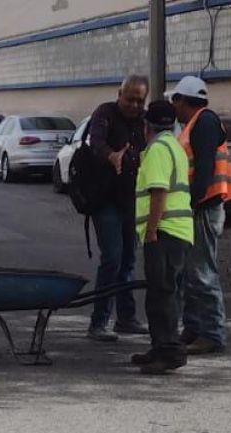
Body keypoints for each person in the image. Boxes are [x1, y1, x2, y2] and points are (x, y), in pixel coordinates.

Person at [170, 75, 231, 355]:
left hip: (204, 207)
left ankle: (212, 334)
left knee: (202, 273)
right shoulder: (196, 123)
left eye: (174, 101)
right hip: (201, 206)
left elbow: (205, 168)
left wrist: (192, 203)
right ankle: (195, 328)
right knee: (191, 273)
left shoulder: (204, 122)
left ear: (181, 100)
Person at [85, 75, 151, 342]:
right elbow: (95, 141)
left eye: (140, 100)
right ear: (119, 93)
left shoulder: (144, 122)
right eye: (130, 98)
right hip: (105, 201)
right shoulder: (105, 113)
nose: (135, 105)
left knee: (128, 260)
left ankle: (126, 318)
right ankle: (98, 322)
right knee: (112, 258)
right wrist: (110, 155)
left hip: (131, 200)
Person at [131, 100, 195, 375]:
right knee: (163, 291)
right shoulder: (175, 146)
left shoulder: (157, 149)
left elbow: (159, 192)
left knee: (162, 293)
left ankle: (169, 351)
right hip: (177, 231)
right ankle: (160, 347)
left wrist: (152, 230)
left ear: (148, 126)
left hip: (165, 231)